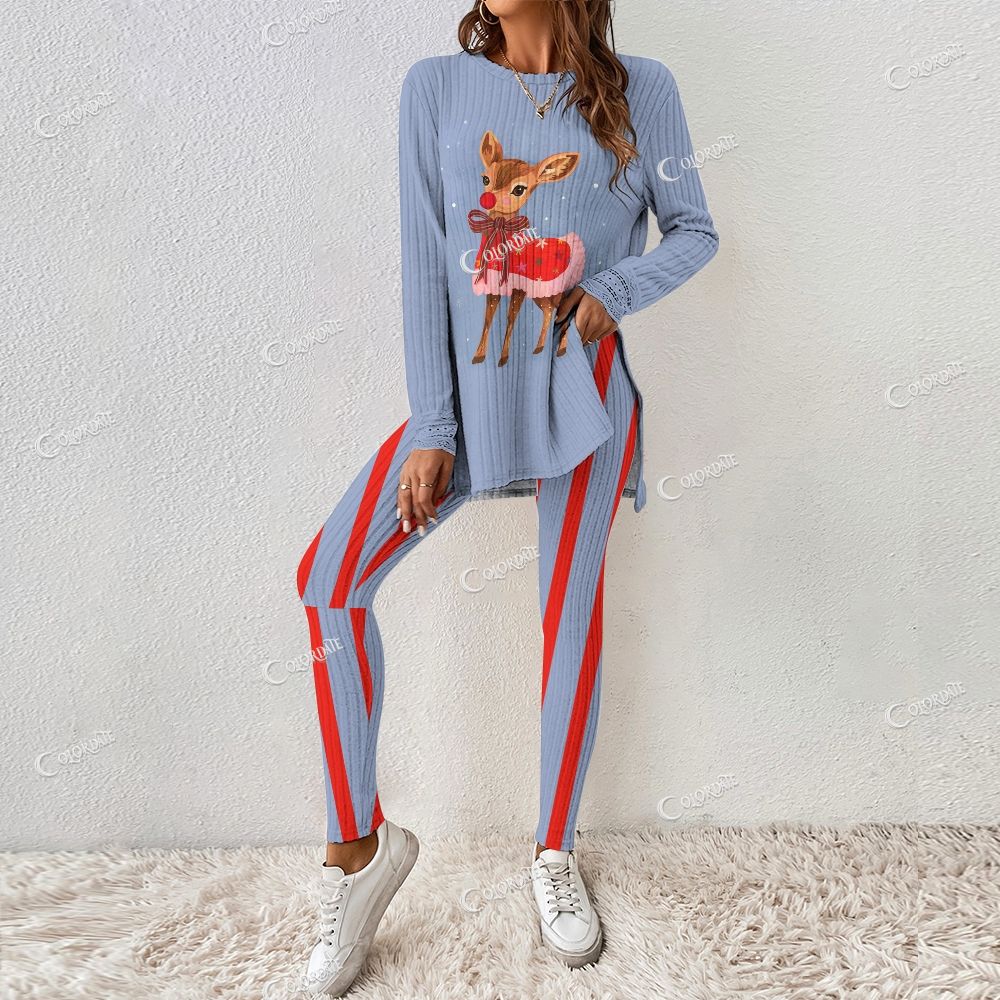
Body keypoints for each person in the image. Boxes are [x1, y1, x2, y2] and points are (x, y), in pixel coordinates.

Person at [295, 1, 718, 993]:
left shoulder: (642, 90)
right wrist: (432, 427)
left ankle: (554, 850)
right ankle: (356, 848)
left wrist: (613, 292)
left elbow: (694, 230)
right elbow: (424, 265)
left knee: (568, 616)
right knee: (328, 582)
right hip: (469, 396)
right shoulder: (435, 89)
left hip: (583, 393)